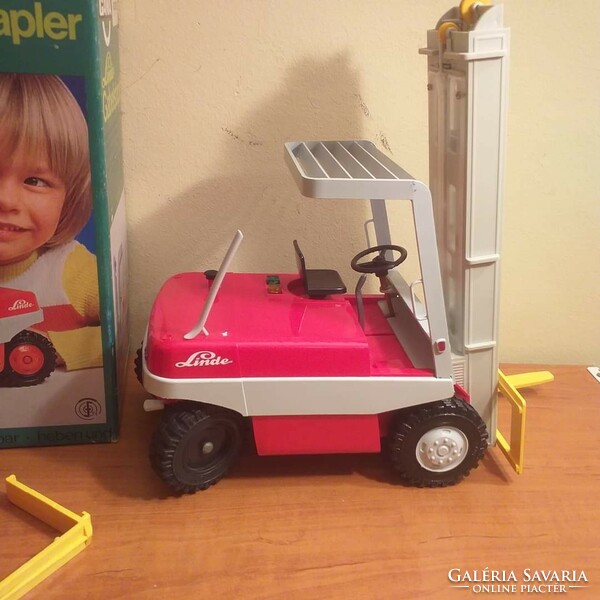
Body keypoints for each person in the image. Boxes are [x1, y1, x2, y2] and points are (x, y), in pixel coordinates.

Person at [0, 73, 102, 371]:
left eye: (34, 180)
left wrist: (52, 347)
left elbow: (127, 333)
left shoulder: (73, 272)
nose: (5, 199)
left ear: (68, 198)